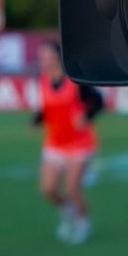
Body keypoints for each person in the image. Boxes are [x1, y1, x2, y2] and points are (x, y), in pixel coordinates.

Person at [34, 39, 104, 245]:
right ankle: (67, 210)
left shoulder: (74, 80)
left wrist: (87, 116)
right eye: (40, 56)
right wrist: (36, 119)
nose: (42, 60)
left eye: (46, 55)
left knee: (72, 188)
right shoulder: (43, 80)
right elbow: (47, 108)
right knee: (48, 189)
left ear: (57, 56)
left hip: (79, 145)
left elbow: (97, 101)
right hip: (54, 143)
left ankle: (83, 222)